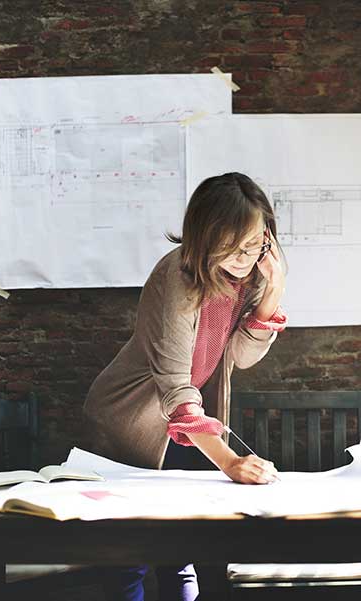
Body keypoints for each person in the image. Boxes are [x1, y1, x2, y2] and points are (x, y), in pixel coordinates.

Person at [83, 172, 287, 601]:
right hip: (130, 419)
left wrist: (275, 288)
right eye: (232, 248)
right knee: (129, 558)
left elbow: (242, 356)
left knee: (178, 553)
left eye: (254, 246)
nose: (244, 259)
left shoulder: (251, 277)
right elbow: (176, 387)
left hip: (186, 424)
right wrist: (230, 463)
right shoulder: (177, 276)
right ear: (203, 237)